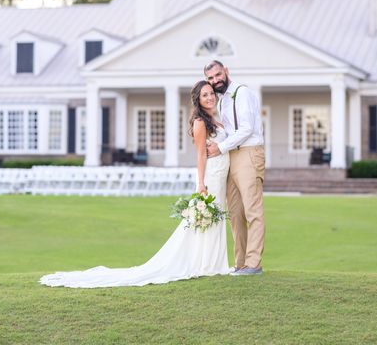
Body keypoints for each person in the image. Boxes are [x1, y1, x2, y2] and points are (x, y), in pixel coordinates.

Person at [40, 80, 229, 288]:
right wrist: (201, 183)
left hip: (220, 175)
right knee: (209, 219)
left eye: (211, 93)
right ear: (198, 100)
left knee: (216, 217)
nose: (210, 97)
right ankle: (207, 265)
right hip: (210, 176)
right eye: (205, 95)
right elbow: (201, 154)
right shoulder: (200, 122)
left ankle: (214, 263)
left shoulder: (216, 119)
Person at [204, 60, 265, 276]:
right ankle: (240, 263)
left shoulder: (242, 92)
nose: (215, 81)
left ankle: (254, 264)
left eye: (218, 75)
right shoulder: (222, 101)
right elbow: (232, 131)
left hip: (249, 153)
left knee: (252, 210)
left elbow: (247, 128)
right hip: (232, 156)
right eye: (211, 78)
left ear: (226, 72)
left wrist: (220, 147)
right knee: (235, 212)